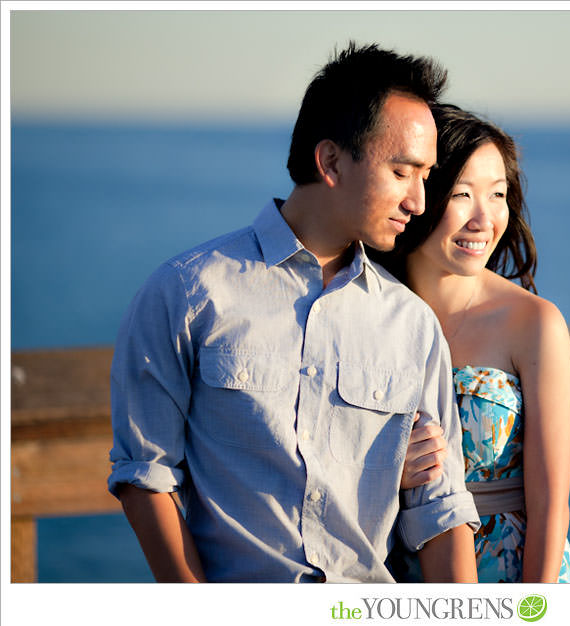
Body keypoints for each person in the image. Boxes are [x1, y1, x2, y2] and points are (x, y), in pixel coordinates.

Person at [107, 44, 480, 583]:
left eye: (427, 176)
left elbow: (440, 509)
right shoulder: (188, 292)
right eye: (403, 172)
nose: (420, 202)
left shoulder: (411, 324)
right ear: (329, 161)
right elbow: (146, 475)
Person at [374, 104, 570, 582]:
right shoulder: (367, 316)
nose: (484, 219)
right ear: (419, 194)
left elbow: (551, 505)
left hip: (514, 572)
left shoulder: (533, 323)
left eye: (499, 195)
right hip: (397, 571)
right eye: (463, 194)